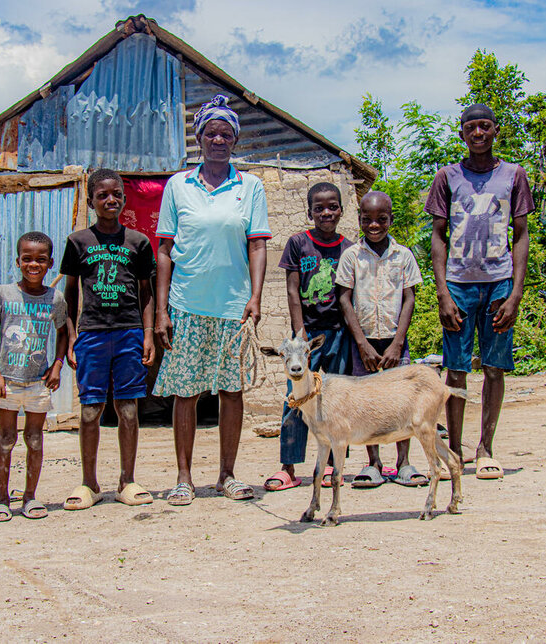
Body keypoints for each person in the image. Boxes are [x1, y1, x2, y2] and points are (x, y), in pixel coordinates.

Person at [153, 94, 270, 506]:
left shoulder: (250, 186)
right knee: (186, 392)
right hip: (187, 304)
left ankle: (227, 475)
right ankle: (184, 478)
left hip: (233, 307)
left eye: (226, 134)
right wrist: (163, 309)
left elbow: (257, 245)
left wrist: (255, 297)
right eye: (210, 133)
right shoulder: (178, 186)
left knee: (231, 391)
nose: (218, 140)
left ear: (235, 140)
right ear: (199, 138)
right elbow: (164, 250)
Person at [427, 103, 533, 480]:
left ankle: (486, 447)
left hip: (499, 282)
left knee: (494, 367)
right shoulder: (448, 177)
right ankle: (454, 451)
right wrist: (442, 292)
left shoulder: (513, 175)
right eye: (471, 127)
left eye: (485, 127)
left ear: (495, 131)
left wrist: (515, 293)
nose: (479, 134)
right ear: (461, 133)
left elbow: (520, 236)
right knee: (455, 370)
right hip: (458, 283)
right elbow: (437, 237)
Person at [60, 168, 156, 509]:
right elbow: (70, 294)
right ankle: (89, 483)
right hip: (92, 334)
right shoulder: (78, 242)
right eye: (102, 195)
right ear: (91, 202)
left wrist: (148, 334)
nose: (110, 200)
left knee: (128, 409)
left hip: (129, 332)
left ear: (124, 199)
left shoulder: (138, 243)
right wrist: (71, 336)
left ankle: (127, 481)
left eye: (116, 194)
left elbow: (147, 293)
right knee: (90, 410)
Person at [264, 182, 353, 492]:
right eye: (319, 208)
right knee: (295, 398)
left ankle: (332, 465)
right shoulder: (298, 243)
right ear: (309, 212)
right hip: (304, 336)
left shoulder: (348, 248)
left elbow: (349, 295)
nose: (326, 213)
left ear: (342, 210)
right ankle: (288, 467)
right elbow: (292, 288)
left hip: (339, 333)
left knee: (335, 400)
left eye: (332, 207)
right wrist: (299, 332)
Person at [335, 191, 426, 488]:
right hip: (364, 343)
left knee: (402, 403)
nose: (374, 225)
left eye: (381, 220)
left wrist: (399, 343)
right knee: (366, 405)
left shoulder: (404, 256)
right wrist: (361, 342)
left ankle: (404, 463)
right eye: (368, 219)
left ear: (391, 220)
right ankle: (373, 463)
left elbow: (409, 298)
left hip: (394, 339)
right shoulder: (351, 256)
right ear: (359, 219)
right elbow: (344, 299)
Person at [0, 231, 68, 521]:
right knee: (6, 439)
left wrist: (57, 366)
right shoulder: (3, 294)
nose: (34, 264)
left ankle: (30, 497)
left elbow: (63, 333)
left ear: (50, 263)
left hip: (37, 383)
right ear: (17, 261)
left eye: (41, 260)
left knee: (34, 439)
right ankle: (2, 499)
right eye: (27, 259)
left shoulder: (55, 298)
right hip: (6, 381)